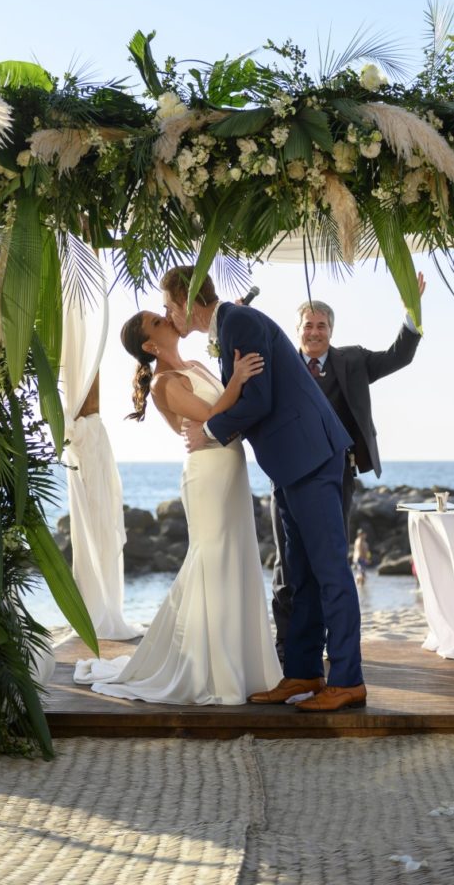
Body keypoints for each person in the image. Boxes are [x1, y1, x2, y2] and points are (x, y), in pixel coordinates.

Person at [162, 266, 365, 713]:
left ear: (184, 300)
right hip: (290, 463)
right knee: (301, 573)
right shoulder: (232, 325)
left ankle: (348, 679)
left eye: (166, 305)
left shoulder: (240, 321)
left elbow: (260, 400)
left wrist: (209, 431)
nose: (166, 313)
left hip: (311, 455)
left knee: (330, 569)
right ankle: (303, 671)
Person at [74, 310, 282, 705]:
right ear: (150, 345)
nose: (168, 319)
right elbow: (210, 415)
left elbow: (224, 418)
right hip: (206, 474)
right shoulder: (162, 383)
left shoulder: (199, 364)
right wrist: (237, 379)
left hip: (231, 465)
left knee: (236, 557)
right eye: (158, 321)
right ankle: (213, 669)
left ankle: (242, 664)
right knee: (212, 559)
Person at [271, 275, 425, 661]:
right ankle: (287, 647)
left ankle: (321, 646)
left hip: (336, 479)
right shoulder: (279, 364)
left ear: (331, 330)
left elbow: (399, 356)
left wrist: (412, 312)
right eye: (308, 325)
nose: (314, 332)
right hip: (286, 479)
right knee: (287, 564)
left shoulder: (352, 361)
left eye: (321, 325)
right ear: (297, 330)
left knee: (328, 563)